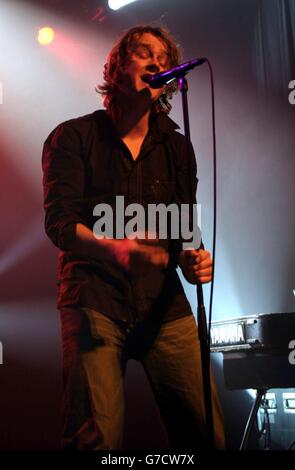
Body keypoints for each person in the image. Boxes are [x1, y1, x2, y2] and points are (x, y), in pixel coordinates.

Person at [42, 25, 225, 450]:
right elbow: (60, 224)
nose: (156, 62)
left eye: (163, 58)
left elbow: (181, 229)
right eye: (144, 53)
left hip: (164, 306)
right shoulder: (73, 137)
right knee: (97, 440)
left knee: (208, 435)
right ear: (117, 65)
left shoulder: (177, 147)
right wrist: (116, 250)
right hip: (94, 298)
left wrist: (192, 260)